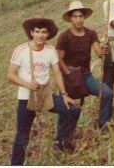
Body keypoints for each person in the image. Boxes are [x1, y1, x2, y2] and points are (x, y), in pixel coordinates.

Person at [8, 18, 81, 166]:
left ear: (48, 34)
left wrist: (65, 95)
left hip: (45, 95)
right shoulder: (21, 50)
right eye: (37, 31)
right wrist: (28, 85)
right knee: (22, 136)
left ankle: (62, 143)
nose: (40, 35)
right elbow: (11, 75)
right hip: (26, 97)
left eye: (44, 32)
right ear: (31, 33)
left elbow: (57, 73)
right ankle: (16, 164)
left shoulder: (50, 51)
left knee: (73, 110)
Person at [56, 1, 114, 129]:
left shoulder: (90, 33)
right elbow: (58, 59)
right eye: (75, 17)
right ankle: (62, 139)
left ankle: (104, 124)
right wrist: (69, 74)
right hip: (68, 76)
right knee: (65, 107)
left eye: (80, 16)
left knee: (107, 93)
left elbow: (99, 53)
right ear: (70, 19)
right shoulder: (64, 37)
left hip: (85, 75)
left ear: (84, 18)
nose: (78, 20)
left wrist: (104, 51)